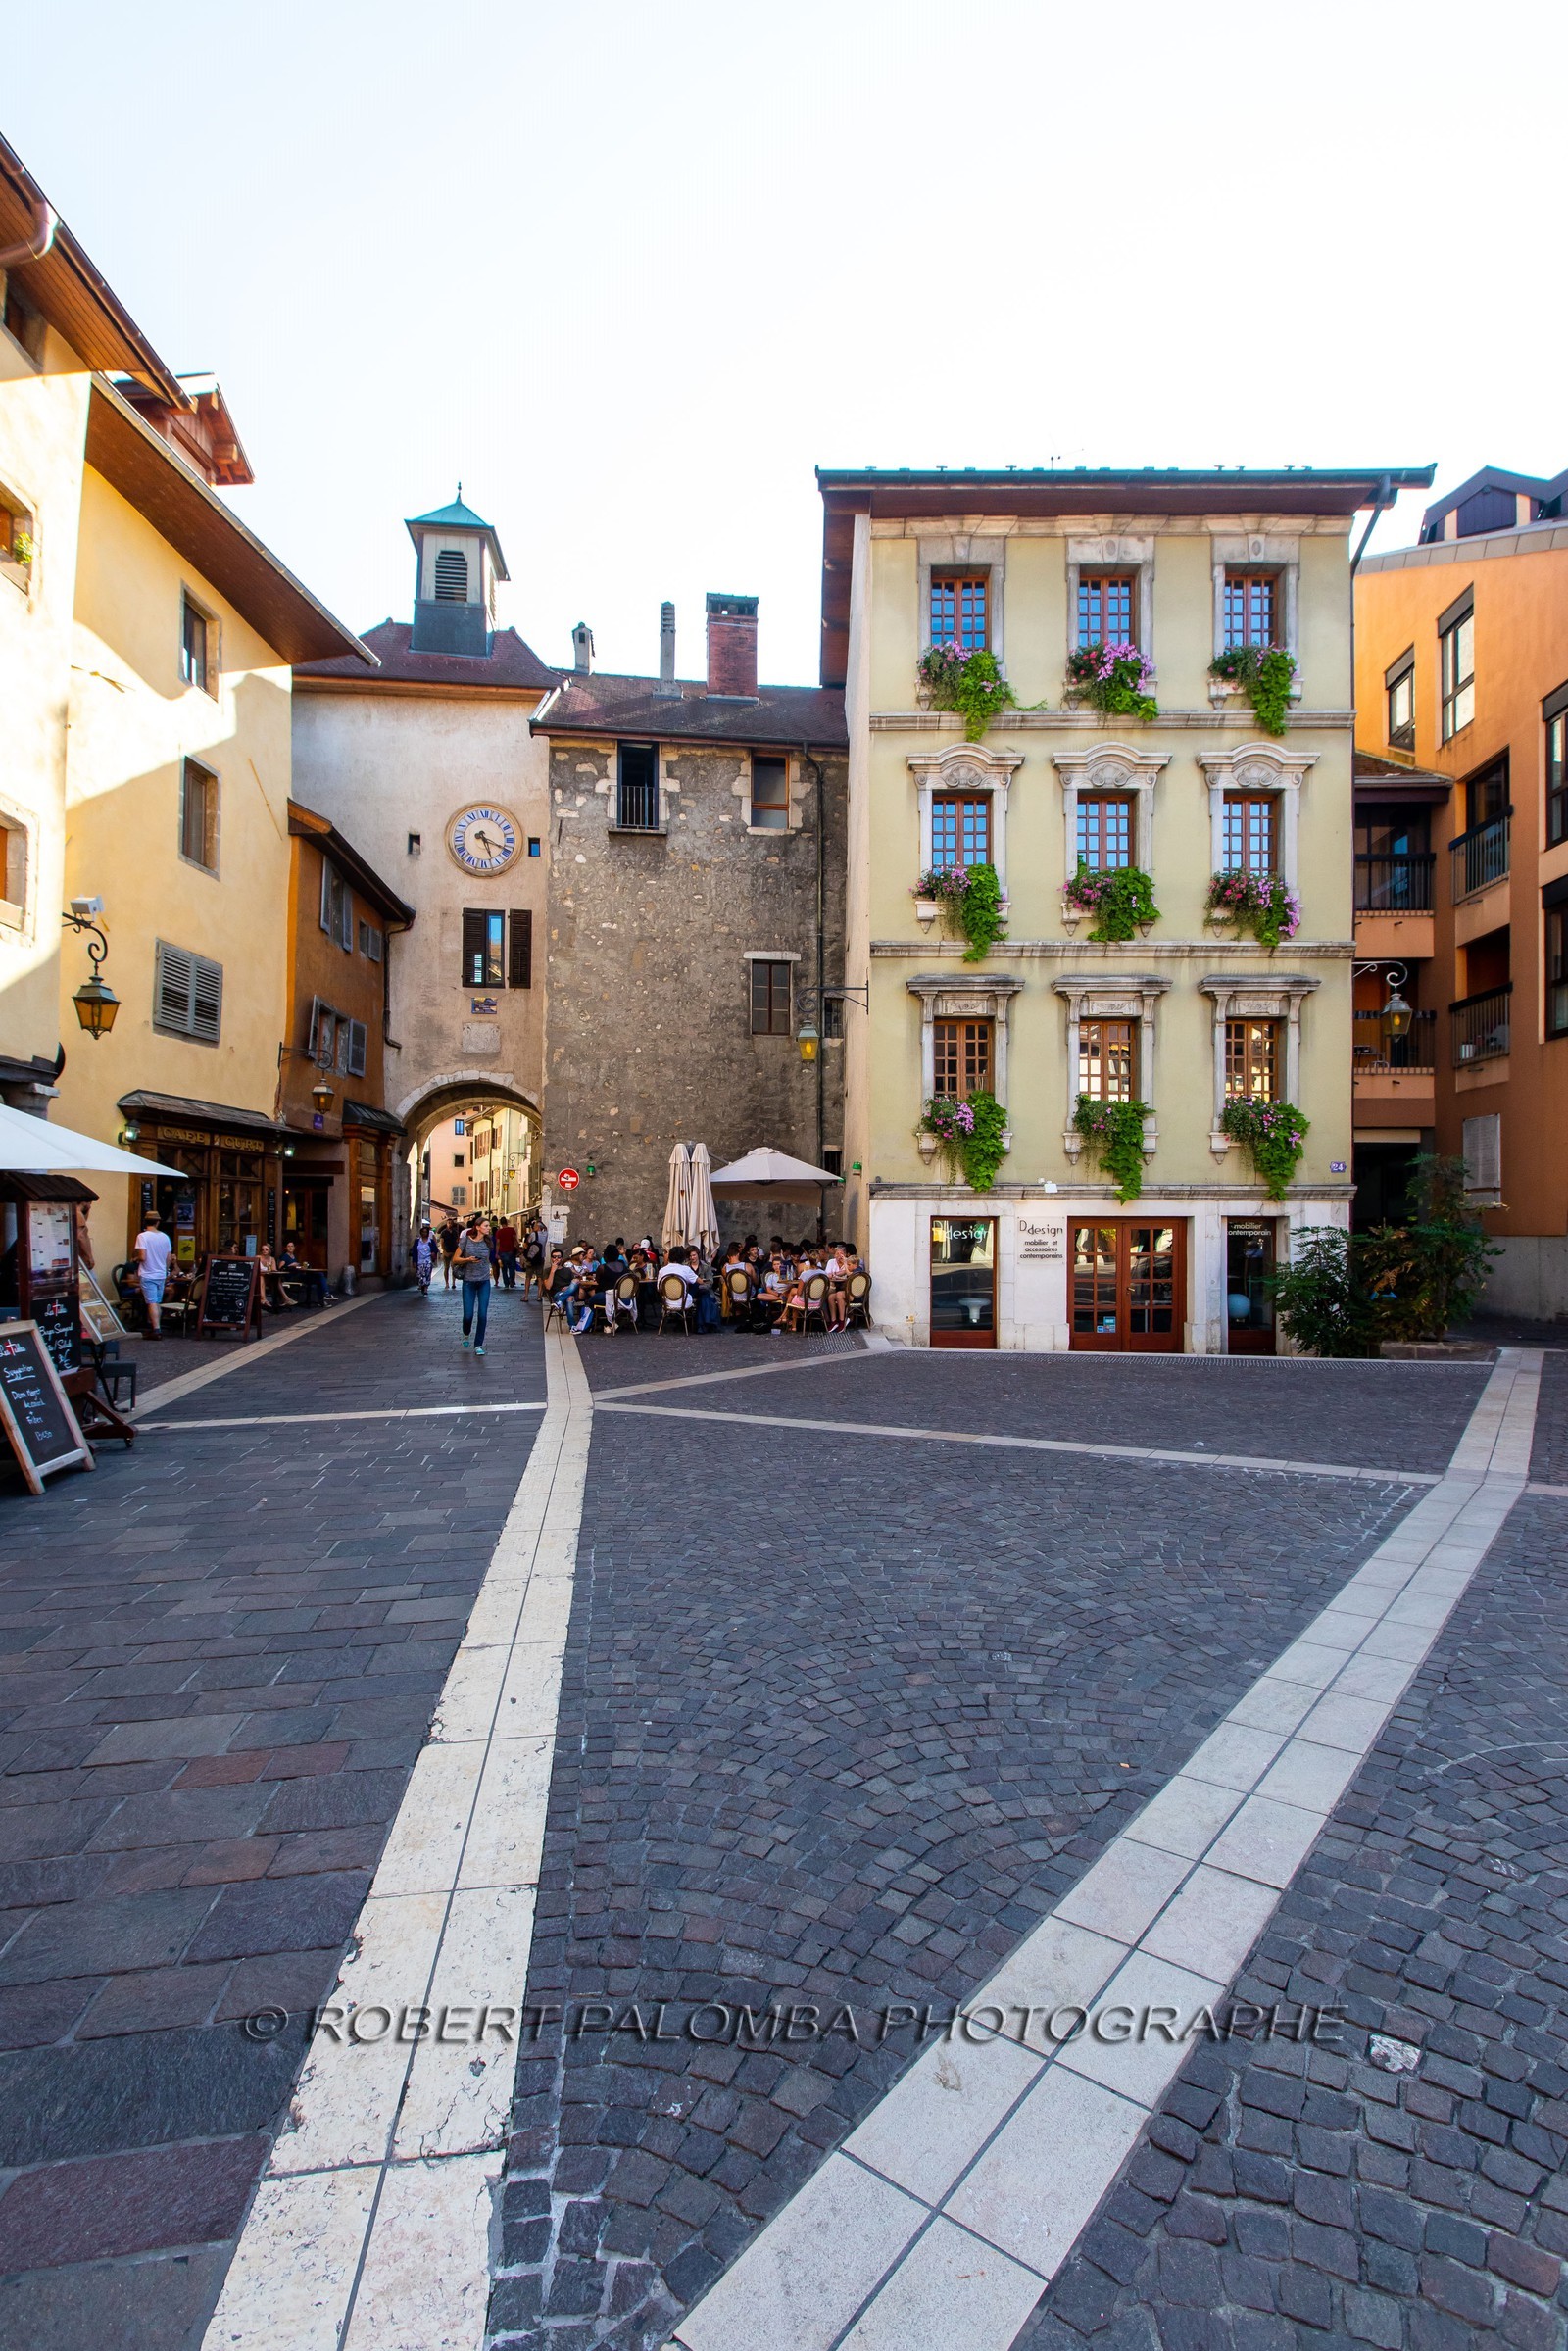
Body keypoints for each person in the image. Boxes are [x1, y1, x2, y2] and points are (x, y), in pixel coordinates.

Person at [454, 1218, 492, 1353]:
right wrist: (467, 1259)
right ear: (478, 1227)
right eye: (486, 1226)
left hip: (484, 1281)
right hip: (469, 1281)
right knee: (468, 1315)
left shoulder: (488, 1242)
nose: (489, 1228)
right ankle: (466, 1332)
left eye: (488, 1226)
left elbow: (489, 1259)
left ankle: (478, 1345)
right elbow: (455, 1259)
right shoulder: (466, 1240)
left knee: (482, 1314)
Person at [133, 1209, 173, 1339]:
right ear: (157, 1222)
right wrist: (165, 1270)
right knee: (156, 1302)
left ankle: (156, 1329)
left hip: (148, 1273)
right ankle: (156, 1327)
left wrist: (135, 1259)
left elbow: (143, 1257)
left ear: (145, 1222)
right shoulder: (165, 1237)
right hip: (160, 1275)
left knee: (151, 1302)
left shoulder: (142, 1236)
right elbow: (168, 1258)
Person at [414, 1222, 435, 1297]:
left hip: (428, 1260)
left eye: (426, 1232)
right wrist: (414, 1261)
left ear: (428, 1233)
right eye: (423, 1232)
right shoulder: (417, 1242)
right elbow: (414, 1251)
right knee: (420, 1276)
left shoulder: (431, 1242)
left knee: (427, 1274)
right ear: (421, 1233)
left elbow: (435, 1250)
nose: (424, 1233)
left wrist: (433, 1254)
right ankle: (422, 1286)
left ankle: (426, 1288)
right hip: (420, 1261)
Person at [438, 1217, 461, 1290]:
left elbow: (457, 1241)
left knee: (454, 1267)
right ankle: (447, 1283)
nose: (450, 1224)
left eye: (451, 1223)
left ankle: (453, 1283)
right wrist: (444, 1251)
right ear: (446, 1224)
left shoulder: (455, 1232)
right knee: (446, 1268)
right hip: (446, 1252)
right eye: (449, 1223)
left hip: (454, 1251)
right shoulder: (443, 1232)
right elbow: (442, 1243)